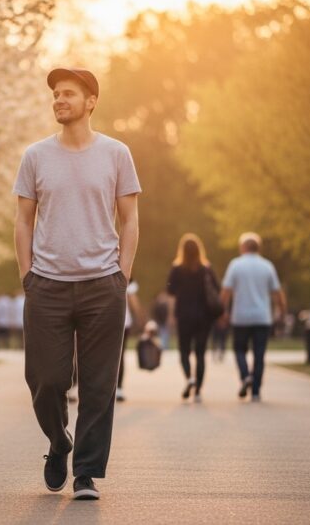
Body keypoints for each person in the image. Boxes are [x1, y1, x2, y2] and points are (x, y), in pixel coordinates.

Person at [13, 66, 140, 500]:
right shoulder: (35, 156)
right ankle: (58, 441)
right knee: (45, 379)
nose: (59, 100)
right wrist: (27, 275)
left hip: (103, 285)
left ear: (91, 102)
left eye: (68, 94)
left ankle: (85, 472)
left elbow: (130, 218)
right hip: (46, 285)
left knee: (99, 384)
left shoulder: (116, 153)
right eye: (55, 95)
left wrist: (122, 275)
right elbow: (23, 219)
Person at [220, 232, 286, 402]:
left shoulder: (235, 265)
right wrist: (282, 312)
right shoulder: (267, 266)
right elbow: (278, 293)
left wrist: (222, 312)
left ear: (242, 247)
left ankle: (245, 376)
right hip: (262, 317)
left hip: (240, 317)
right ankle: (256, 390)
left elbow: (226, 292)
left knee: (239, 350)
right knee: (259, 354)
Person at [166, 233, 221, 402]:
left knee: (184, 351)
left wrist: (171, 315)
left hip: (184, 316)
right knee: (200, 353)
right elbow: (217, 289)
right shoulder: (206, 269)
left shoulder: (177, 269)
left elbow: (170, 291)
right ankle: (197, 392)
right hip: (204, 317)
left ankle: (189, 378)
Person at [115, 278, 142, 402]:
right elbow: (133, 302)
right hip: (124, 322)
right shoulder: (128, 280)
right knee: (120, 356)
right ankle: (119, 388)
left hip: (105, 321)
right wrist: (141, 319)